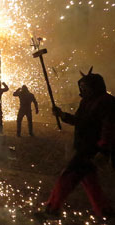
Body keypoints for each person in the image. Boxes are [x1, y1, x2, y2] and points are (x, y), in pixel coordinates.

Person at [35, 67, 115, 222]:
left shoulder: (107, 102)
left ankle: (52, 209)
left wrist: (103, 150)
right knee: (89, 180)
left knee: (67, 176)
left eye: (84, 88)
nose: (82, 91)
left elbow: (109, 128)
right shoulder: (86, 102)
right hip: (84, 146)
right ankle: (105, 211)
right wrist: (62, 115)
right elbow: (79, 121)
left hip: (91, 148)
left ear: (94, 87)